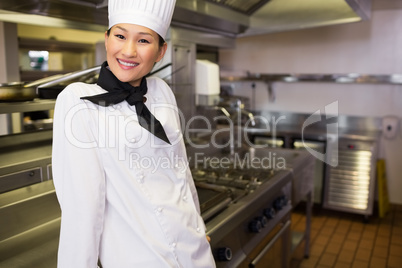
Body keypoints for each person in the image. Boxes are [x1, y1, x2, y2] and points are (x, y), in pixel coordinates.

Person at [51, 0, 216, 267]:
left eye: (143, 40)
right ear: (106, 39)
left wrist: (197, 227)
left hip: (195, 254)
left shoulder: (161, 90)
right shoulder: (77, 100)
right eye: (120, 36)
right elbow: (83, 210)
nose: (128, 51)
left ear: (161, 51)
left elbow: (180, 172)